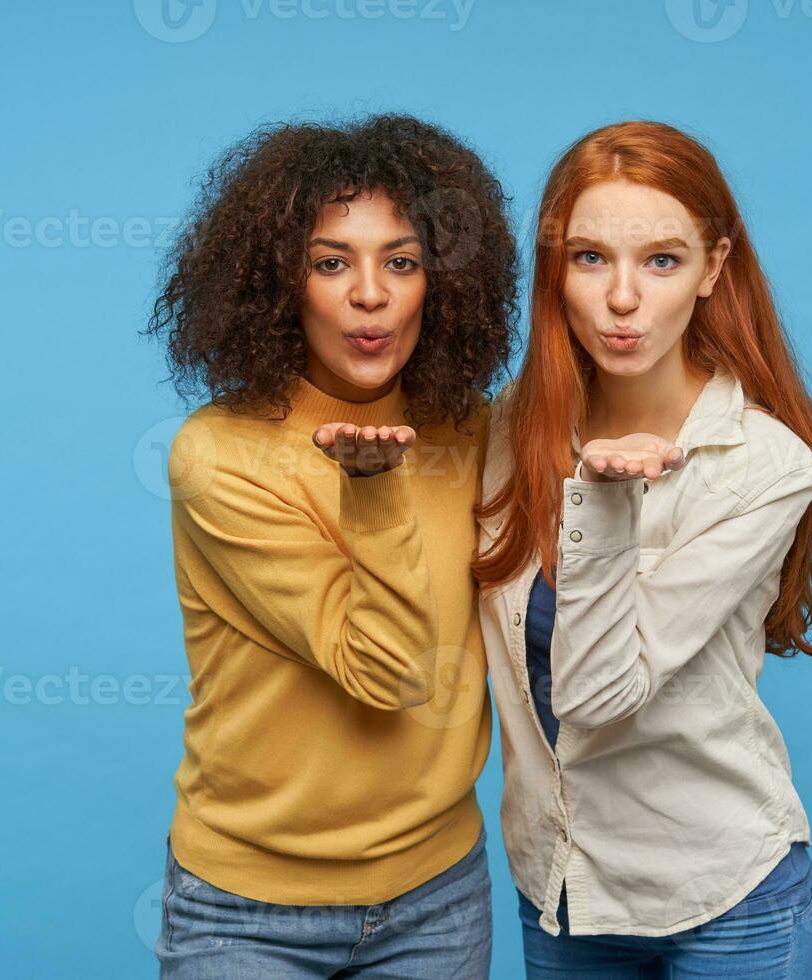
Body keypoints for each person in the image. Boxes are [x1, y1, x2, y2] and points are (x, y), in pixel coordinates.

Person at [145, 113, 518, 979]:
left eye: (401, 260)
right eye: (329, 262)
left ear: (442, 281)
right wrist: (373, 490)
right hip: (245, 913)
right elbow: (386, 673)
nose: (369, 294)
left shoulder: (472, 428)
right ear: (279, 283)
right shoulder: (219, 455)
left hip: (437, 897)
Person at [473, 120, 812, 978]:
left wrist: (605, 502)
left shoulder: (763, 464)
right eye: (591, 258)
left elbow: (601, 695)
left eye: (663, 261)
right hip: (562, 891)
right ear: (554, 269)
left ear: (714, 267)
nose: (624, 299)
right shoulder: (506, 429)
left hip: (726, 897)